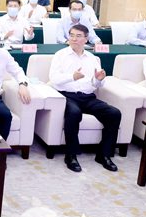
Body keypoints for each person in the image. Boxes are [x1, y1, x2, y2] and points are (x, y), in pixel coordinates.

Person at [49, 24, 121, 173]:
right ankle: (71, 155)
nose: (74, 39)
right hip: (67, 96)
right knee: (74, 113)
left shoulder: (92, 58)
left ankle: (104, 155)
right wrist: (72, 77)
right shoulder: (60, 55)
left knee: (114, 113)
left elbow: (96, 84)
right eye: (71, 35)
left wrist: (99, 79)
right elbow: (54, 79)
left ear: (86, 39)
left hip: (88, 97)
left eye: (78, 36)